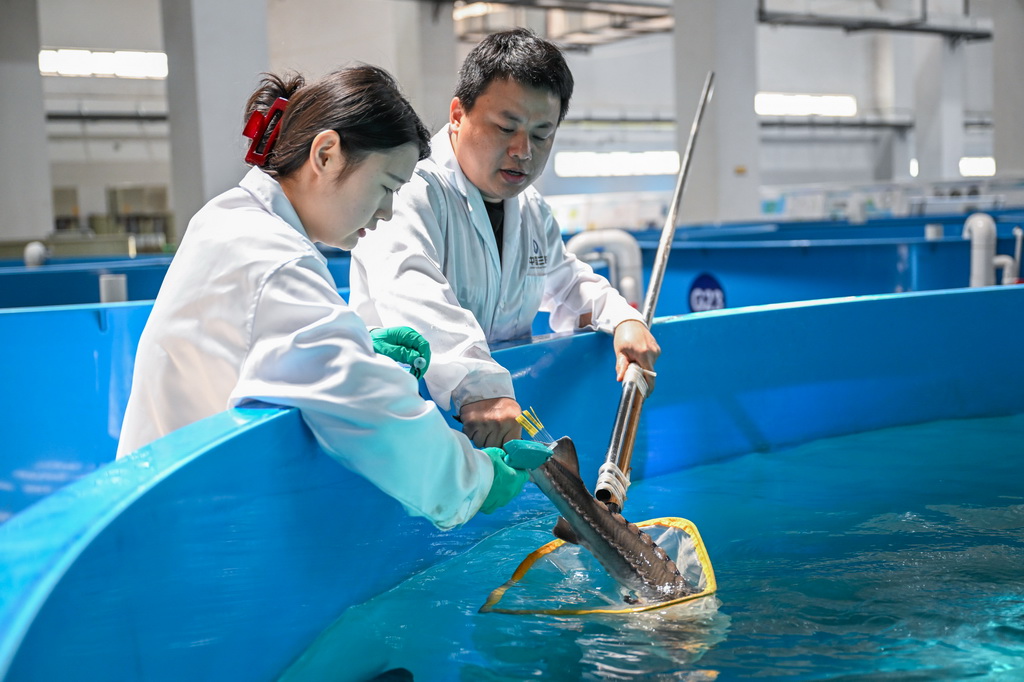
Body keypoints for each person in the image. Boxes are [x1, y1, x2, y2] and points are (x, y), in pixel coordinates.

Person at [116, 65, 551, 530]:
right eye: (386, 187)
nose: (387, 212)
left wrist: (356, 344)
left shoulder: (236, 222)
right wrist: (475, 478)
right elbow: (371, 412)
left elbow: (269, 344)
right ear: (326, 154)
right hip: (182, 531)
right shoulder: (271, 257)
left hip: (176, 513)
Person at [349, 29, 661, 449]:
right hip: (402, 432)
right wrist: (478, 385)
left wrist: (621, 316)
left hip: (498, 423)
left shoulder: (531, 209)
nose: (523, 151)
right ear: (458, 115)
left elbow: (566, 282)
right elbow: (411, 290)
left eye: (541, 134)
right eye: (505, 127)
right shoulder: (410, 189)